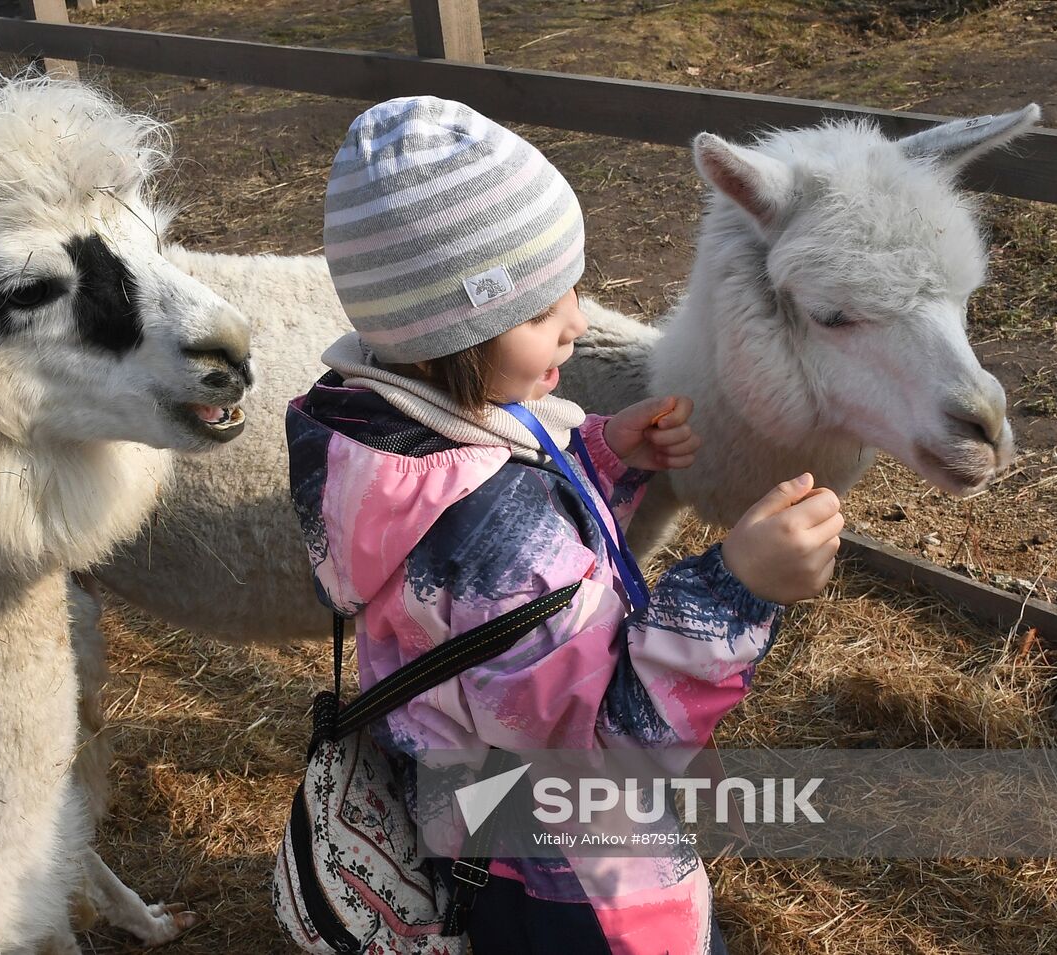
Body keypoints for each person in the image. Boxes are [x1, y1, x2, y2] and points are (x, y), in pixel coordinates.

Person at [285, 96, 843, 955]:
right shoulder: (495, 536)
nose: (579, 321)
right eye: (546, 310)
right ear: (458, 329)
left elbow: (489, 569)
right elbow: (613, 742)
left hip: (467, 817)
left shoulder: (373, 433)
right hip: (581, 886)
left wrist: (600, 455)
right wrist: (737, 586)